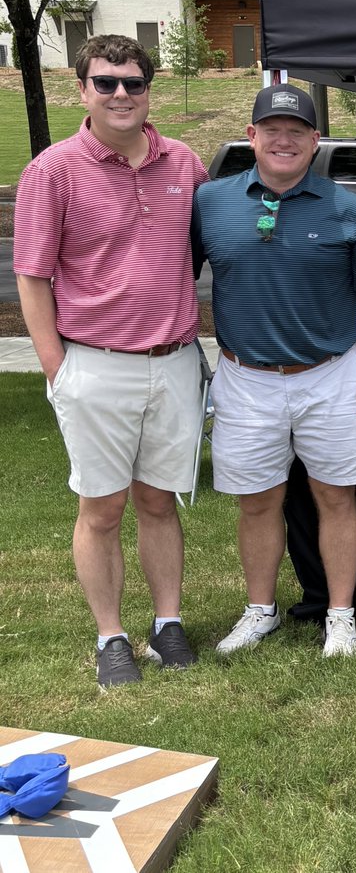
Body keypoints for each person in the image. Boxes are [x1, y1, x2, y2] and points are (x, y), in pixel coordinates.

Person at [14, 34, 208, 688]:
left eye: (132, 82)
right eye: (106, 82)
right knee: (101, 508)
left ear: (148, 90)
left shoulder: (184, 163)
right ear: (83, 89)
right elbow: (32, 276)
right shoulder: (53, 170)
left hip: (175, 359)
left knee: (158, 500)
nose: (120, 93)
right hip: (93, 365)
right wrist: (55, 366)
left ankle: (167, 623)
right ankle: (111, 636)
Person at [193, 83, 356, 658]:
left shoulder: (348, 209)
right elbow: (175, 278)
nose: (282, 140)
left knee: (335, 497)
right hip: (245, 376)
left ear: (315, 141)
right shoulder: (211, 202)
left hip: (331, 374)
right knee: (256, 500)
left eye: (296, 131)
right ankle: (259, 610)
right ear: (251, 135)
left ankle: (340, 615)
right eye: (271, 129)